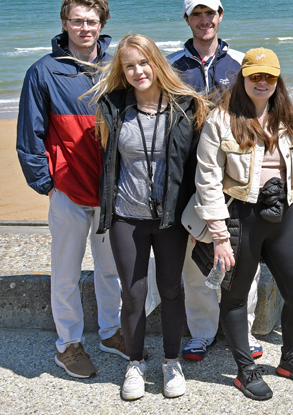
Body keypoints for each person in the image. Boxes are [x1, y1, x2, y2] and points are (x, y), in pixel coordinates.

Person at [194, 48, 293, 400]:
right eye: (255, 76)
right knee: (234, 296)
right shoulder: (221, 119)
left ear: (277, 79)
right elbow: (206, 179)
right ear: (243, 77)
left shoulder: (288, 118)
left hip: (285, 215)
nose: (262, 82)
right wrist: (219, 235)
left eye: (269, 76)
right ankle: (244, 369)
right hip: (240, 217)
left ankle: (289, 360)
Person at [92, 34, 209, 399]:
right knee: (133, 292)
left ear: (156, 63)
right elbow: (107, 162)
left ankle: (171, 362)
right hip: (127, 216)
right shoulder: (112, 107)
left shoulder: (186, 107)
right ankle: (134, 364)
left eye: (144, 63)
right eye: (129, 65)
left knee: (172, 290)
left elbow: (198, 163)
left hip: (170, 220)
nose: (138, 71)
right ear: (122, 71)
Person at [16, 0, 123, 379]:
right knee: (66, 274)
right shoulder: (43, 71)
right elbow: (30, 136)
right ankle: (68, 345)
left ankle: (112, 333)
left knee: (110, 270)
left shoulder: (117, 67)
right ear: (64, 23)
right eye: (77, 20)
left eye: (91, 21)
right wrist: (47, 184)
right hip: (67, 192)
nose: (84, 28)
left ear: (102, 25)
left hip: (111, 192)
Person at [168, 0, 260, 362]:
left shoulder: (240, 62)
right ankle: (202, 332)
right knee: (195, 262)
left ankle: (245, 328)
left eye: (211, 13)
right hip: (190, 178)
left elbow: (260, 110)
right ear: (188, 19)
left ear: (221, 15)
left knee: (242, 257)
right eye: (197, 14)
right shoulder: (172, 65)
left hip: (235, 177)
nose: (204, 20)